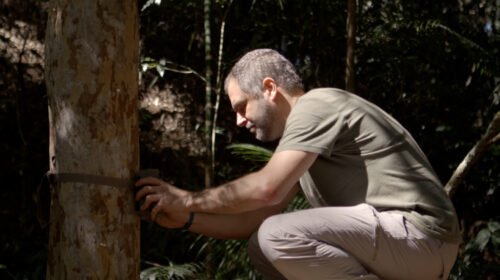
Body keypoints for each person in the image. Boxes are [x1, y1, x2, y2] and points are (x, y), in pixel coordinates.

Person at [135, 49, 461, 279]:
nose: (237, 120)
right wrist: (188, 218)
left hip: (422, 237)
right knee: (263, 252)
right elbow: (253, 219)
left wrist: (185, 198)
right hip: (408, 250)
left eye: (241, 105)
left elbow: (265, 189)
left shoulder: (316, 105)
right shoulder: (303, 149)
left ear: (269, 88)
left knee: (275, 235)